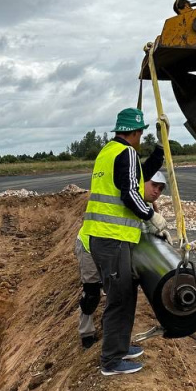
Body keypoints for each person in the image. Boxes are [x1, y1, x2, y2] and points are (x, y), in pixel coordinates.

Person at [77, 108, 170, 376]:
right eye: (141, 134)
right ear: (136, 132)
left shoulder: (109, 151)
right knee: (119, 298)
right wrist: (152, 216)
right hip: (112, 238)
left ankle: (119, 346)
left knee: (125, 293)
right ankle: (111, 361)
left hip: (103, 237)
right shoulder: (126, 152)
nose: (141, 138)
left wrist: (161, 148)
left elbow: (138, 175)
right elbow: (131, 192)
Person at [75, 171, 168, 348]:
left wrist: (159, 233)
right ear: (142, 182)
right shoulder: (129, 196)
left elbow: (141, 228)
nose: (156, 191)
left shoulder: (144, 204)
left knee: (115, 293)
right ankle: (86, 333)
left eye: (160, 189)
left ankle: (109, 331)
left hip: (111, 249)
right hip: (89, 246)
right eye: (154, 185)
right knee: (92, 294)